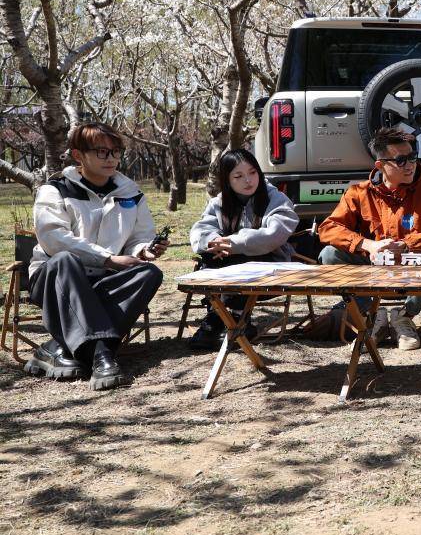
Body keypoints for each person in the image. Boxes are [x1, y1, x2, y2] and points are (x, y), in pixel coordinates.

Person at [24, 122, 169, 390]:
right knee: (66, 259)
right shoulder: (55, 190)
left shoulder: (131, 193)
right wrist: (107, 259)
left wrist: (142, 250)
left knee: (149, 273)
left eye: (115, 151)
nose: (111, 158)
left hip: (104, 278)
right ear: (78, 155)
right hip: (56, 279)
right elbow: (54, 239)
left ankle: (58, 347)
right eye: (102, 152)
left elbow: (139, 237)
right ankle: (101, 355)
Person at [316, 127, 421, 349]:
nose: (410, 165)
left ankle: (404, 315)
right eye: (401, 160)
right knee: (329, 254)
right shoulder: (358, 193)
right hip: (372, 265)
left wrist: (406, 245)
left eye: (412, 157)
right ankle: (373, 313)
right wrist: (368, 245)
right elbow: (328, 228)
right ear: (380, 165)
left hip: (412, 265)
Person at [187, 149, 299, 350]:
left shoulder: (275, 198)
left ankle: (236, 319)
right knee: (211, 256)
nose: (248, 180)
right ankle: (218, 316)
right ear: (227, 180)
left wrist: (235, 244)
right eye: (238, 176)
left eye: (252, 173)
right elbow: (201, 229)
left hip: (270, 268)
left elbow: (275, 234)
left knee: (239, 260)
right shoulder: (219, 202)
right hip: (228, 266)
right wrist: (213, 242)